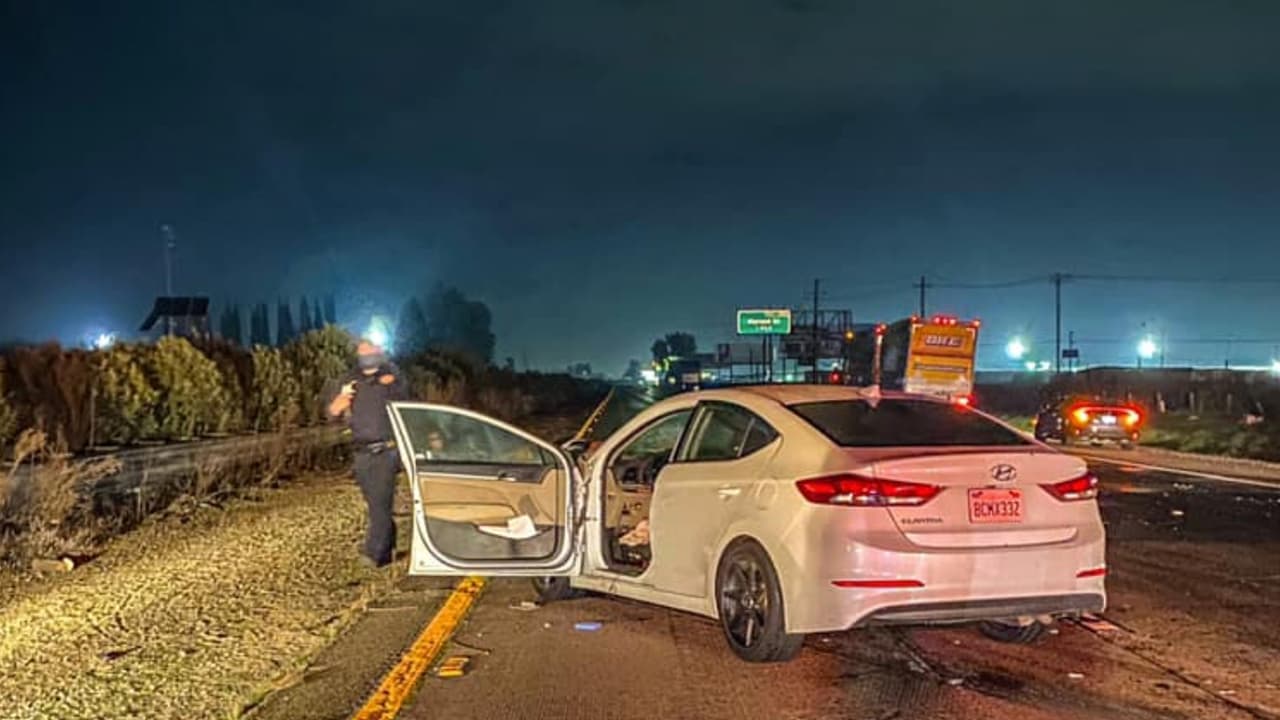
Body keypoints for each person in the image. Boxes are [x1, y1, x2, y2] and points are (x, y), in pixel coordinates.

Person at [328, 340, 409, 567]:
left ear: (379, 353)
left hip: (386, 450)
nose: (366, 356)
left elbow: (406, 401)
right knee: (374, 502)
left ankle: (374, 554)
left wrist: (390, 383)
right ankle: (388, 545)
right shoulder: (349, 380)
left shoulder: (391, 376)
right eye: (361, 352)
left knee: (381, 502)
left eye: (370, 351)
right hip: (361, 452)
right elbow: (332, 412)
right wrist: (343, 398)